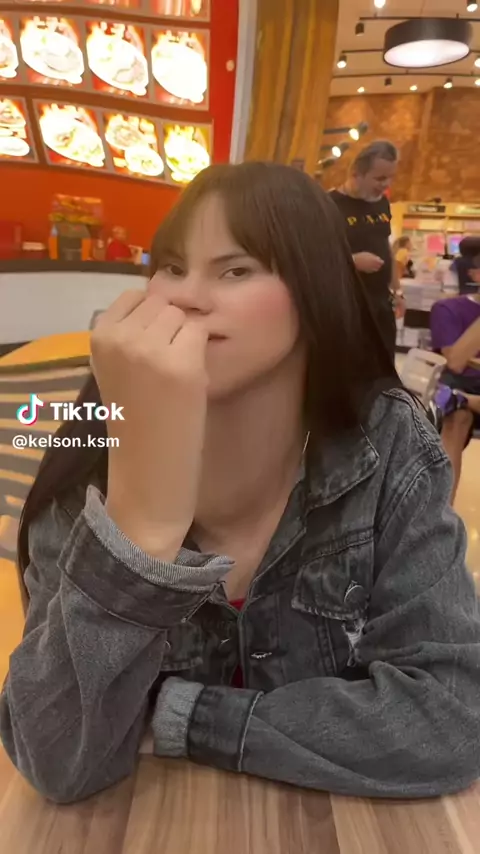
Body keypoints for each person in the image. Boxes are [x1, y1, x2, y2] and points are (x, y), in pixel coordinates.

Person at [1, 163, 479, 805]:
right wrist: (139, 526)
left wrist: (181, 715)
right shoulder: (88, 458)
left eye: (235, 270)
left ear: (314, 291)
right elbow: (57, 760)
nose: (188, 297)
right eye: (172, 267)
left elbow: (449, 717)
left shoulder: (386, 441)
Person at [330, 141, 405, 362]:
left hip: (381, 304)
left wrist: (398, 291)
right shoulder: (329, 205)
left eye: (390, 177)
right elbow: (313, 257)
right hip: (346, 308)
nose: (386, 184)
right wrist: (352, 261)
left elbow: (386, 246)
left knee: (384, 366)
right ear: (356, 173)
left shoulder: (382, 203)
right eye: (380, 178)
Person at [430, 291, 480, 501]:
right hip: (463, 383)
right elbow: (455, 362)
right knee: (457, 416)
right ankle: (441, 510)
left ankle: (465, 400)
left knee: (456, 403)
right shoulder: (448, 308)